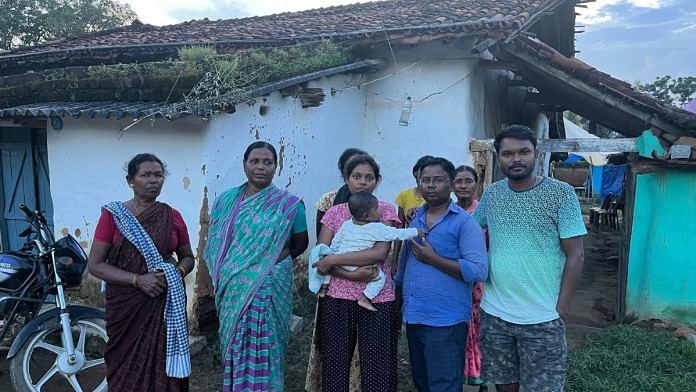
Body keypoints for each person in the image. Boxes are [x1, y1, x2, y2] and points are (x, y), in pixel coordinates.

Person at [474, 125, 586, 392]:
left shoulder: (561, 194)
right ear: (498, 157)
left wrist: (563, 306)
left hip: (543, 316)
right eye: (508, 153)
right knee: (503, 384)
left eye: (524, 152)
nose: (516, 159)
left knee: (543, 388)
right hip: (495, 313)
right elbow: (470, 231)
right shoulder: (492, 194)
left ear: (536, 153)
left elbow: (576, 254)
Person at [203, 141, 309, 392]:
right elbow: (218, 242)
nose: (261, 167)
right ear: (244, 164)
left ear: (276, 166)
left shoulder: (289, 204)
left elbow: (299, 244)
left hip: (269, 285)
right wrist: (236, 270)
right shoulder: (226, 200)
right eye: (255, 161)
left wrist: (268, 264)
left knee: (266, 341)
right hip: (232, 286)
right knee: (236, 342)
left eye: (267, 162)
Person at [88, 153, 194, 391]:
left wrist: (176, 271)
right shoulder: (113, 216)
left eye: (158, 175)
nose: (153, 180)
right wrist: (137, 280)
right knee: (125, 365)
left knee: (164, 368)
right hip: (126, 306)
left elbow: (188, 257)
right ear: (131, 180)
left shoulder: (172, 216)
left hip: (164, 304)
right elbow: (95, 265)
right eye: (145, 175)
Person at [395, 157, 488, 391]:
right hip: (415, 316)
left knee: (444, 384)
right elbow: (404, 264)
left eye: (438, 180)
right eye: (425, 180)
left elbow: (478, 269)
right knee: (422, 381)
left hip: (445, 320)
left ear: (451, 185)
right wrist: (397, 300)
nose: (431, 185)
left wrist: (433, 259)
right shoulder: (415, 218)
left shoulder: (465, 224)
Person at [311, 154, 402, 391]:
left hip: (377, 296)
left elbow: (380, 253)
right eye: (357, 176)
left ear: (377, 181)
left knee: (377, 362)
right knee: (335, 361)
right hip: (337, 296)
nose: (363, 182)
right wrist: (352, 275)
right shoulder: (335, 213)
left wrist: (334, 260)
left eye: (369, 177)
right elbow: (322, 255)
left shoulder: (384, 210)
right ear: (346, 179)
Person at [308, 191, 419, 311]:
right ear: (366, 216)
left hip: (339, 261)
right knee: (380, 277)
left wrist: (332, 256)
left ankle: (323, 288)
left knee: (328, 270)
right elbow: (398, 234)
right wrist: (416, 232)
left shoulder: (346, 225)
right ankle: (366, 298)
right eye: (376, 209)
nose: (379, 211)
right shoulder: (377, 228)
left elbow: (336, 242)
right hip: (361, 264)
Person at [453, 165, 487, 390]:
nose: (463, 186)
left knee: (480, 328)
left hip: (478, 282)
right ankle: (463, 374)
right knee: (460, 327)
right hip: (454, 277)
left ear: (476, 184)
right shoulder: (449, 212)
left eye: (468, 181)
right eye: (458, 181)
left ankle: (483, 376)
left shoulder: (483, 211)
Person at [315, 148, 367, 235]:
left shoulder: (374, 203)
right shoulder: (328, 199)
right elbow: (321, 240)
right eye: (351, 167)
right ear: (344, 173)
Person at [394, 155, 433, 226]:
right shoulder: (404, 195)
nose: (426, 175)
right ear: (415, 172)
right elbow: (400, 226)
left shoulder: (436, 197)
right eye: (423, 171)